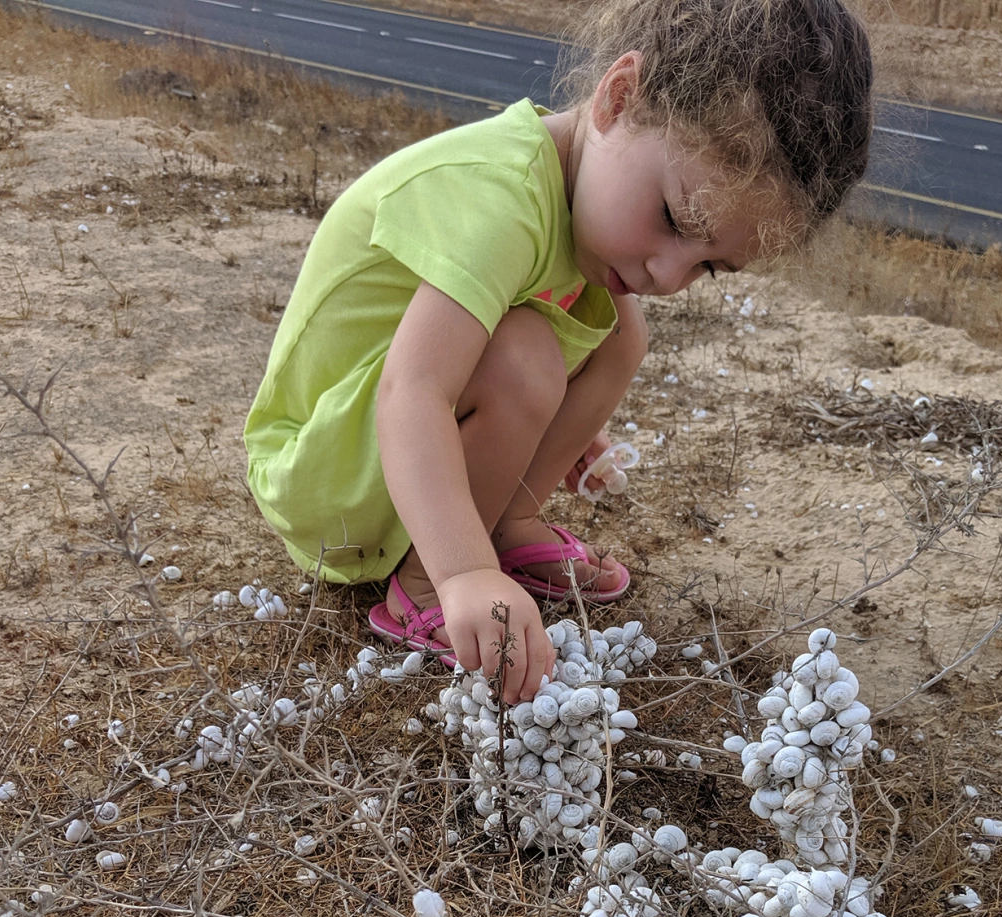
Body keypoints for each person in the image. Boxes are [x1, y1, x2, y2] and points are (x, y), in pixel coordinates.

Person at [244, 0, 872, 700]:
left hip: (377, 455)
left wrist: (551, 421)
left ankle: (505, 521)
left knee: (620, 328)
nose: (669, 275)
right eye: (672, 219)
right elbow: (413, 393)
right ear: (618, 99)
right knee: (527, 355)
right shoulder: (504, 199)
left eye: (709, 266)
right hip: (318, 481)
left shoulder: (575, 203)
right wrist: (465, 576)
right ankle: (426, 582)